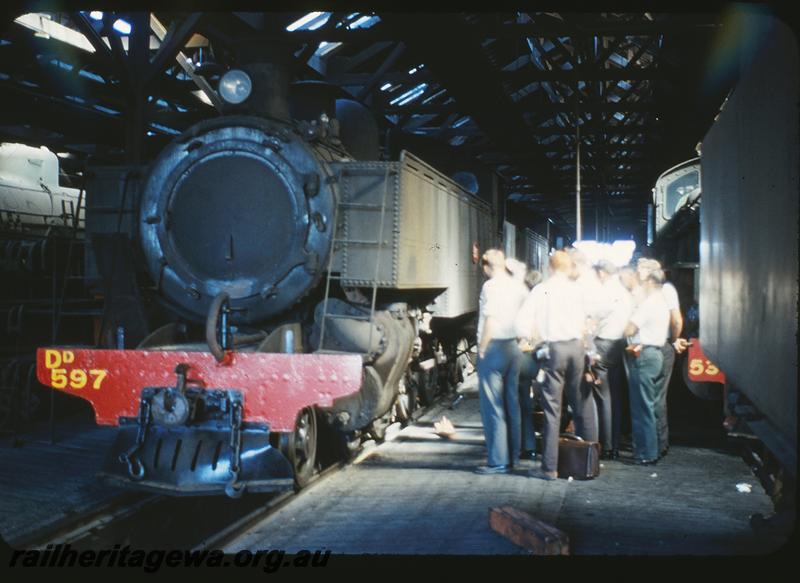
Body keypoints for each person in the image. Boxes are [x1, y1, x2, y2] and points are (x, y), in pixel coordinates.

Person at [517, 250, 596, 481]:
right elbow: (589, 323)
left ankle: (549, 468)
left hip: (555, 350)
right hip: (577, 348)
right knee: (582, 404)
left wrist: (535, 338)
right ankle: (589, 463)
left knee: (552, 408)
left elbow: (521, 325)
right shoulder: (578, 290)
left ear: (549, 267)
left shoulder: (541, 290)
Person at [474, 249, 528, 475]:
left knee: (493, 406)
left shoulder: (491, 286)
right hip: (513, 348)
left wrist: (482, 348)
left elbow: (491, 319)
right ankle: (513, 456)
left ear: (487, 267)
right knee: (511, 403)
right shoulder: (518, 286)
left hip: (494, 347)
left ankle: (497, 461)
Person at [636, 258, 689, 459]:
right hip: (645, 346)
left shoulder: (666, 290)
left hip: (660, 345)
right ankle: (651, 442)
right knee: (651, 397)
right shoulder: (643, 291)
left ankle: (659, 442)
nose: (637, 272)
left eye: (641, 269)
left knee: (657, 397)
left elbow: (676, 319)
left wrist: (673, 339)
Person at [623, 268, 670, 465]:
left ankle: (645, 453)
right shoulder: (663, 302)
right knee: (651, 404)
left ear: (650, 282)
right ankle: (653, 449)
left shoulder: (649, 303)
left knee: (642, 406)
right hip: (657, 354)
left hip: (644, 355)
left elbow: (630, 329)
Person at [591, 259, 633, 460]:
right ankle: (614, 443)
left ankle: (605, 444)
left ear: (601, 273)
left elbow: (594, 320)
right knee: (615, 395)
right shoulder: (625, 293)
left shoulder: (604, 292)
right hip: (620, 344)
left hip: (603, 344)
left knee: (603, 395)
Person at [516, 267, 543, 461]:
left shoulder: (528, 300)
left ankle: (527, 445)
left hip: (530, 354)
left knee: (522, 397)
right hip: (552, 353)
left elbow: (522, 330)